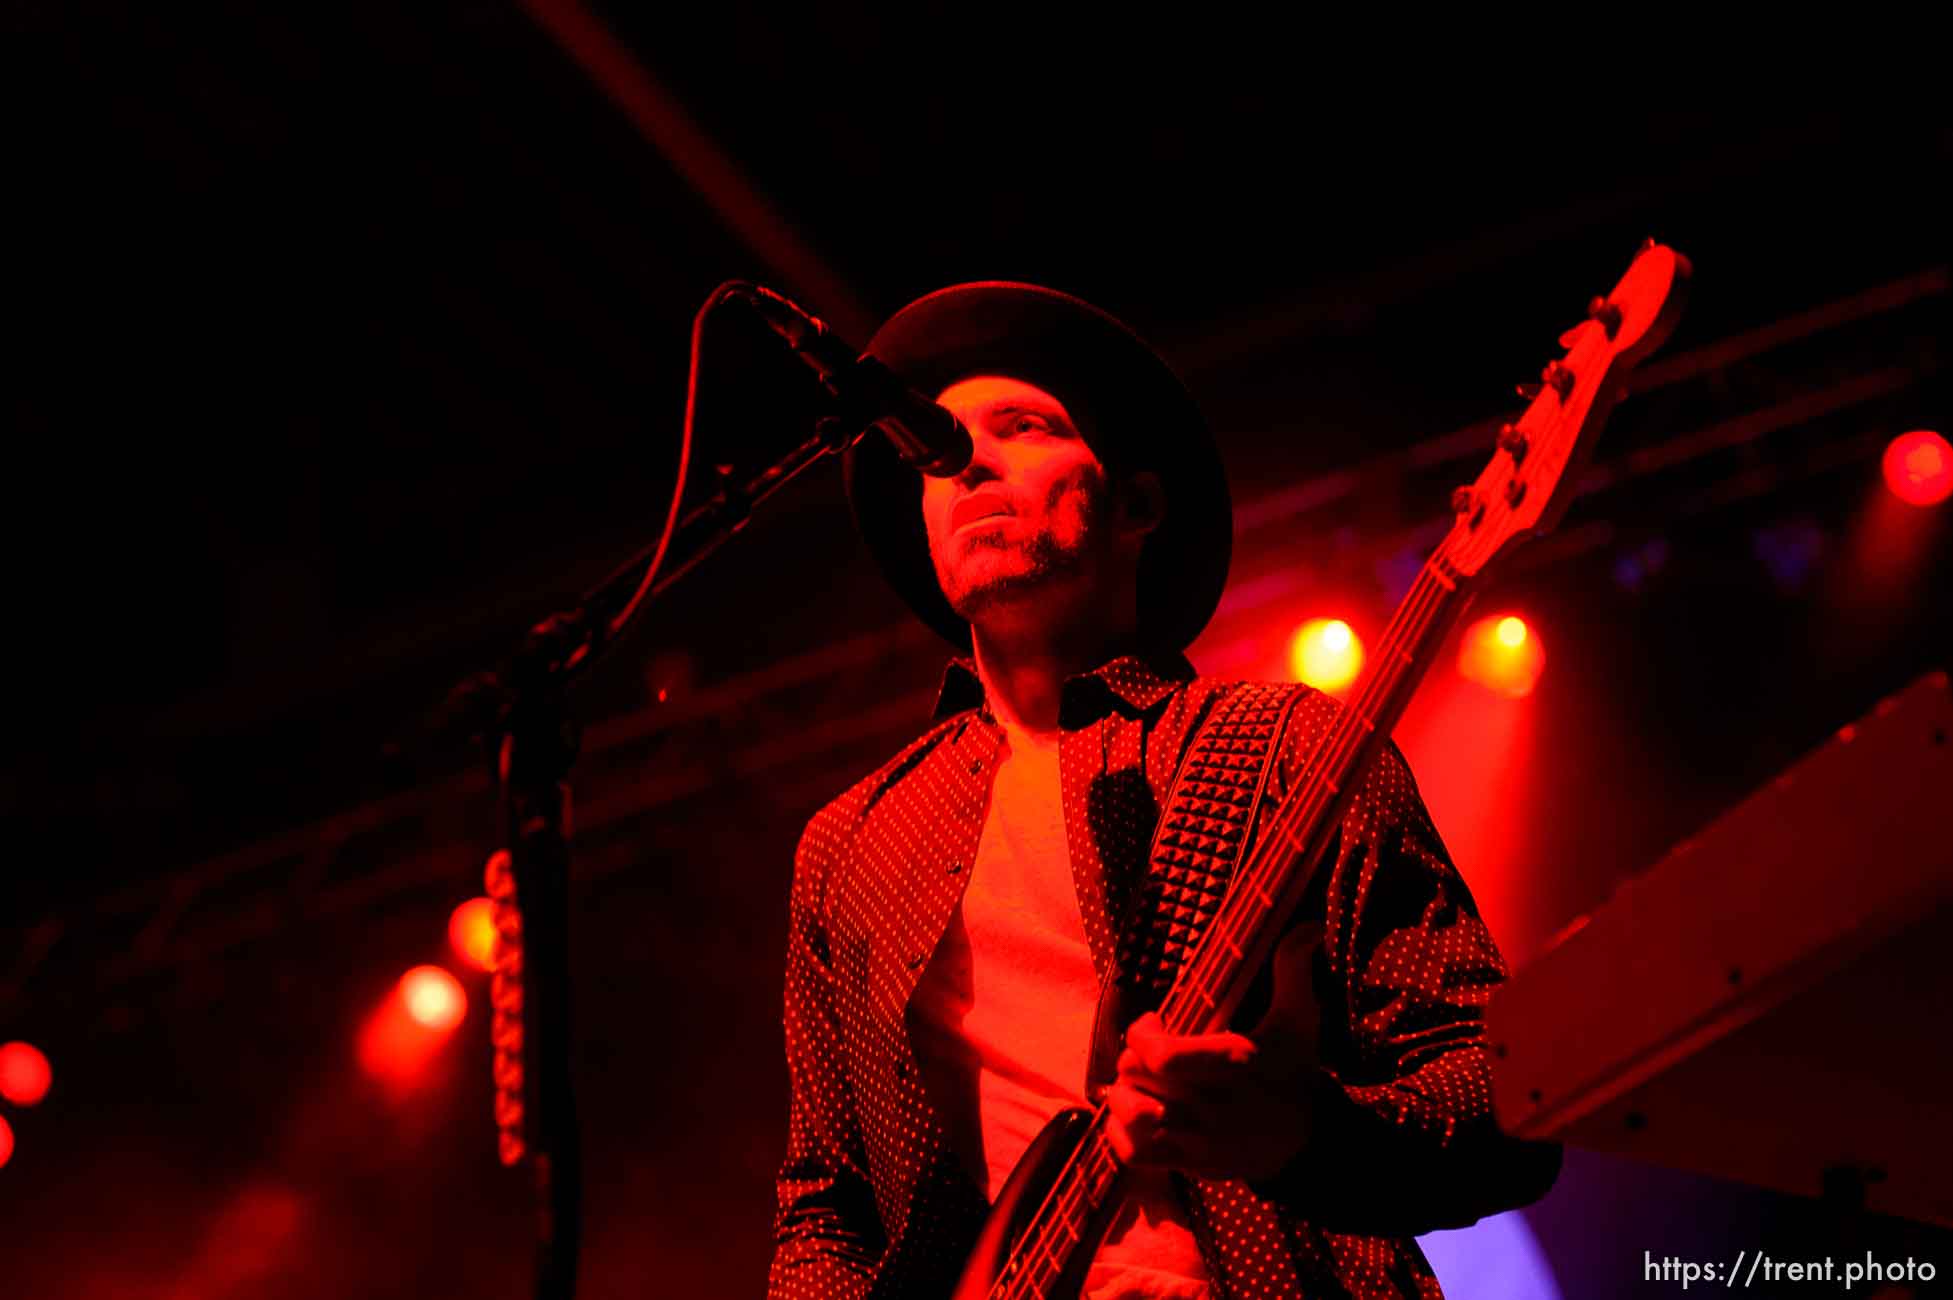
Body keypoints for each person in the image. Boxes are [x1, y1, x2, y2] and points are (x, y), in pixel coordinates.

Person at [767, 283, 1560, 1299]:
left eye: (1025, 426)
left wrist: (1300, 1133)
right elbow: (824, 1207)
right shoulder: (853, 843)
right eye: (942, 447)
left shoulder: (1276, 746)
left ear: (1136, 505)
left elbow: (1509, 1090)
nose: (968, 462)